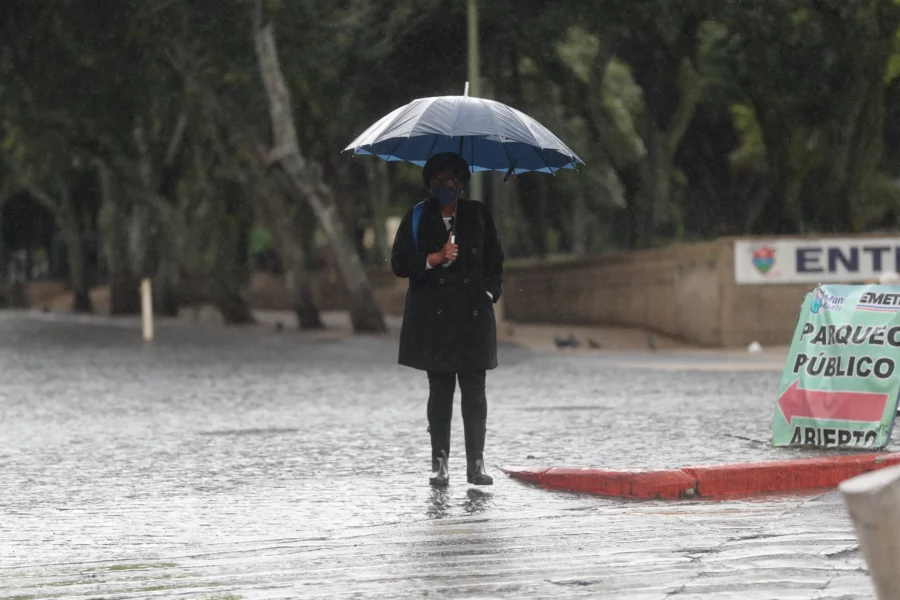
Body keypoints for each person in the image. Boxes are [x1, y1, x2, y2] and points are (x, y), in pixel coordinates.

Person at [391, 152, 505, 487]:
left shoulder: (478, 215)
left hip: (472, 320)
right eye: (440, 180)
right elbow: (399, 263)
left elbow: (495, 263)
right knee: (439, 393)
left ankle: (477, 464)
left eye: (453, 180)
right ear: (430, 183)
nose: (447, 186)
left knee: (474, 393)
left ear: (463, 184)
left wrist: (488, 293)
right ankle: (439, 464)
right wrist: (434, 258)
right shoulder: (416, 217)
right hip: (433, 321)